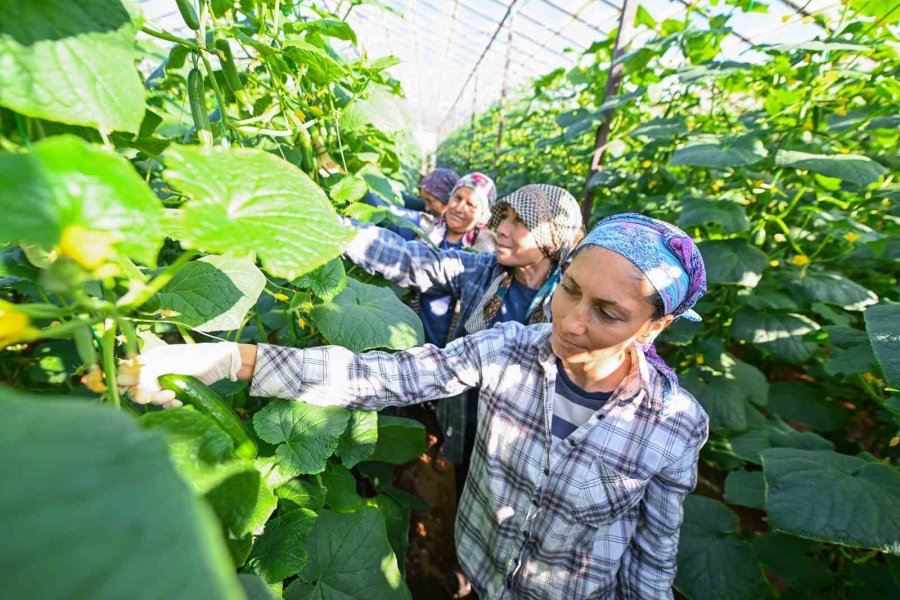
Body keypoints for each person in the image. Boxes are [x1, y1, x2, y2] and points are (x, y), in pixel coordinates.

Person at [120, 212, 710, 599]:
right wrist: (225, 360)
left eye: (608, 313)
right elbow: (382, 376)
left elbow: (652, 558)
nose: (572, 321)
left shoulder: (674, 425)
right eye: (571, 290)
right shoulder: (506, 348)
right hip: (480, 567)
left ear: (654, 326)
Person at [339, 184, 583, 465]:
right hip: (465, 419)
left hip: (521, 444)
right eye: (504, 217)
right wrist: (332, 229)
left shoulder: (570, 301)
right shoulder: (482, 271)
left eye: (519, 222)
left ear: (551, 238)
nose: (502, 228)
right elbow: (411, 260)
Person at [360, 167, 460, 240]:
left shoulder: (434, 226)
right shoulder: (428, 209)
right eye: (424, 199)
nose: (427, 207)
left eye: (429, 200)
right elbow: (398, 195)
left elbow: (389, 216)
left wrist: (357, 188)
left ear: (448, 199)